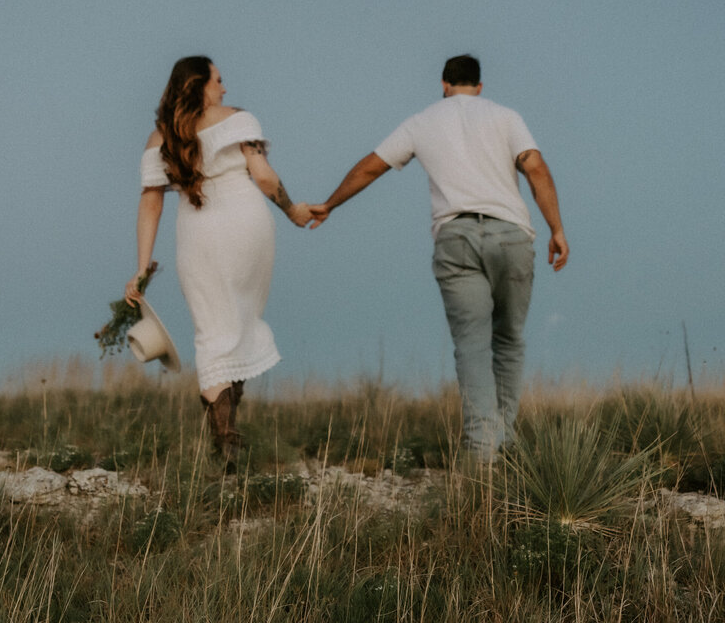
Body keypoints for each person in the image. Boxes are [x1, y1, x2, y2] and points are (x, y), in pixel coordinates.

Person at [308, 54, 568, 460]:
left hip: (457, 238)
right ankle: (507, 439)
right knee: (510, 340)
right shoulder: (505, 116)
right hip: (511, 236)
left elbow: (371, 167)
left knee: (472, 346)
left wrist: (330, 204)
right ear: (480, 86)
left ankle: (481, 453)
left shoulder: (422, 121)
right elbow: (534, 167)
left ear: (444, 84)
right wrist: (556, 228)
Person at [125, 55, 311, 467]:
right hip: (249, 226)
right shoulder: (240, 119)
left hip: (199, 233)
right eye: (219, 80)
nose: (225, 88)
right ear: (200, 84)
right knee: (240, 320)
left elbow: (150, 204)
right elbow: (262, 176)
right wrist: (292, 210)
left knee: (212, 330)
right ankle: (229, 438)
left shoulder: (160, 138)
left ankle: (226, 441)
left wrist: (141, 268)